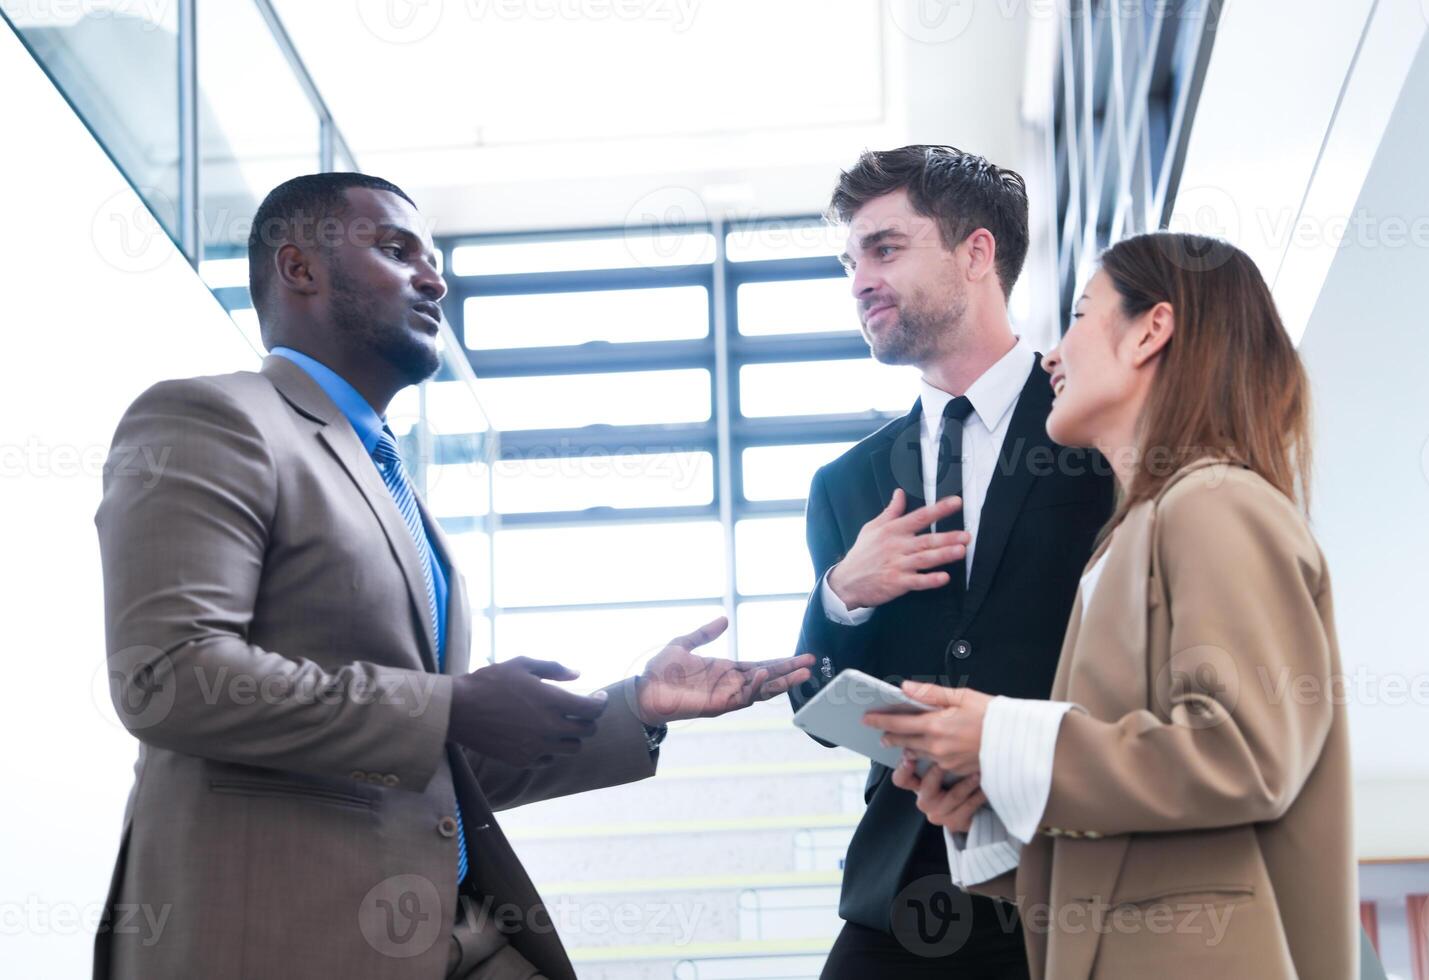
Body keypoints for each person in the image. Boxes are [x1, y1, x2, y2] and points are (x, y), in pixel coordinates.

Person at [93, 172, 813, 979]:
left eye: (433, 258)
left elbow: (426, 757)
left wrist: (635, 705)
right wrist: (451, 707)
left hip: (453, 932)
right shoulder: (213, 419)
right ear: (298, 269)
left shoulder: (389, 478)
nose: (435, 279)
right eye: (397, 251)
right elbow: (171, 678)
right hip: (285, 941)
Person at [868, 231, 1356, 978]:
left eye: (1080, 316)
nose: (1053, 357)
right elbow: (1146, 843)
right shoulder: (1134, 536)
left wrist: (1003, 735)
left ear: (1151, 331)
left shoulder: (1214, 502)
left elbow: (1246, 756)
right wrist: (989, 805)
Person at [787, 145, 1113, 979]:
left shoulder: (1099, 429)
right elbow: (819, 700)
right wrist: (842, 594)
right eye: (849, 260)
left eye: (885, 249)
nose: (859, 279)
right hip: (903, 890)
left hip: (1071, 872)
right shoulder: (845, 484)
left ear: (976, 254)